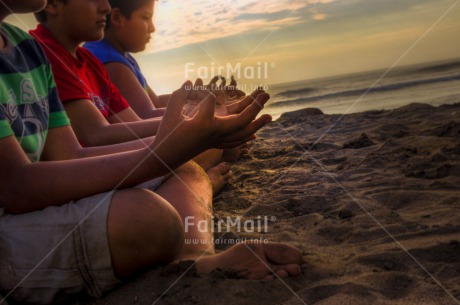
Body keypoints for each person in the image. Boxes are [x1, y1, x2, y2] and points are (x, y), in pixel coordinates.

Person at [0, 1, 302, 304]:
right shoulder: (54, 50)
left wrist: (183, 139)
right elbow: (16, 184)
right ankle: (194, 199)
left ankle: (197, 256)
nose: (106, 5)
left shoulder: (28, 49)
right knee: (146, 216)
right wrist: (164, 150)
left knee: (187, 168)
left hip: (34, 201)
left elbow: (71, 154)